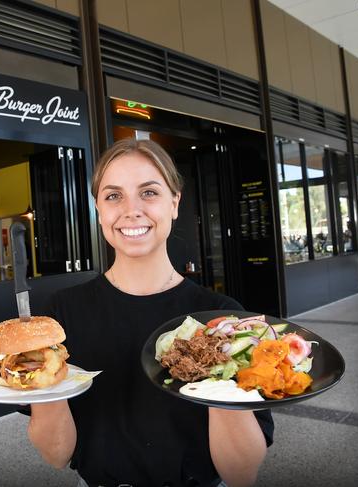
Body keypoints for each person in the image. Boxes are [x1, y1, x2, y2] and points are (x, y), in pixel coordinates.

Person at [27, 139, 273, 487]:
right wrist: (41, 370)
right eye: (113, 196)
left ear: (174, 203)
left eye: (149, 192)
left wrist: (218, 373)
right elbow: (56, 455)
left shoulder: (221, 320)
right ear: (98, 209)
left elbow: (240, 473)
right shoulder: (59, 317)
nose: (131, 210)